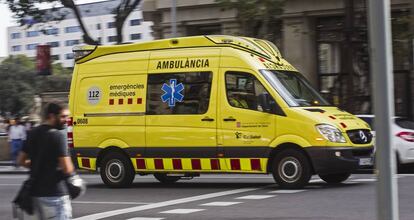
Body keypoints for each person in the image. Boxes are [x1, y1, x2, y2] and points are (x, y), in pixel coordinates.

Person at [17, 103, 75, 219]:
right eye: (63, 116)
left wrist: (39, 165)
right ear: (52, 116)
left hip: (35, 194)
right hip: (55, 195)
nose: (66, 120)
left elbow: (21, 160)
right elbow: (67, 168)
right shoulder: (58, 136)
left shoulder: (32, 133)